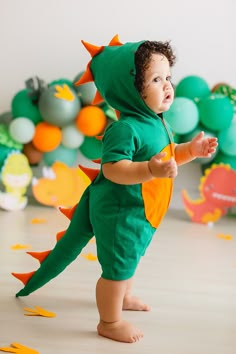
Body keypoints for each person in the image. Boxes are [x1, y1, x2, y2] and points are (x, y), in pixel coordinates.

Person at [13, 35, 218, 343]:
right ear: (129, 88)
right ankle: (109, 321)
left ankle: (123, 296)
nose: (167, 86)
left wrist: (192, 150)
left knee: (130, 257)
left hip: (140, 211)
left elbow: (170, 152)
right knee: (116, 267)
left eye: (168, 78)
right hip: (119, 210)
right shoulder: (125, 129)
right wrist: (150, 169)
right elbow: (112, 169)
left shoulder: (158, 122)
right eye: (156, 79)